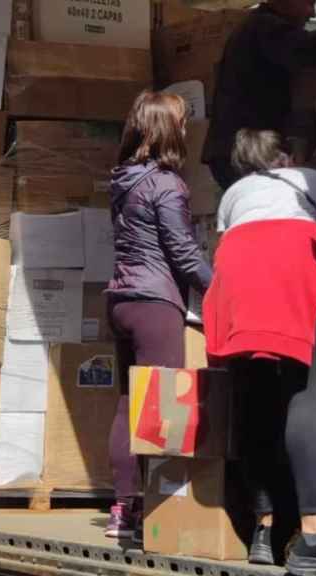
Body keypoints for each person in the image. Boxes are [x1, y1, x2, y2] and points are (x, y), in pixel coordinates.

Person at [203, 129, 316, 576]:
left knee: (254, 401)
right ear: (285, 156)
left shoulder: (233, 194)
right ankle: (315, 537)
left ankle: (264, 531)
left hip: (239, 278)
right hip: (293, 271)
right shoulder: (313, 180)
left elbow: (220, 255)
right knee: (305, 398)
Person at [105, 91, 213, 539]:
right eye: (183, 122)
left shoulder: (124, 177)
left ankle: (122, 508)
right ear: (169, 129)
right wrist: (222, 290)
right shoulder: (165, 184)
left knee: (130, 404)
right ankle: (157, 509)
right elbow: (183, 253)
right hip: (154, 302)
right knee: (162, 406)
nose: (187, 129)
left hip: (120, 299)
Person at [203, 0, 316, 190]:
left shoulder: (257, 28)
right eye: (308, 3)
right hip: (246, 150)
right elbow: (307, 50)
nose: (312, 13)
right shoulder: (266, 26)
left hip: (238, 149)